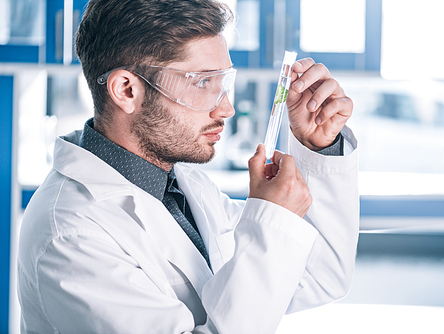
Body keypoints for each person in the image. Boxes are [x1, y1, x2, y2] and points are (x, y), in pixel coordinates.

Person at [17, 0, 359, 333]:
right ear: (126, 90)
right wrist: (272, 222)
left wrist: (319, 147)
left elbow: (318, 275)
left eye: (223, 81)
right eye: (201, 82)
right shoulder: (71, 234)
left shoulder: (181, 186)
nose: (226, 108)